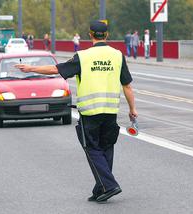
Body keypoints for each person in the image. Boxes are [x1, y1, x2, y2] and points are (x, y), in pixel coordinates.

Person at [14, 20, 138, 203]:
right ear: (107, 35)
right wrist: (132, 109)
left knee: (92, 148)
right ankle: (101, 189)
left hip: (90, 112)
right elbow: (127, 85)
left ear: (90, 35)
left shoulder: (83, 56)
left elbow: (56, 69)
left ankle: (109, 185)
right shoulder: (117, 55)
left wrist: (31, 68)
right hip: (111, 111)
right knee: (106, 147)